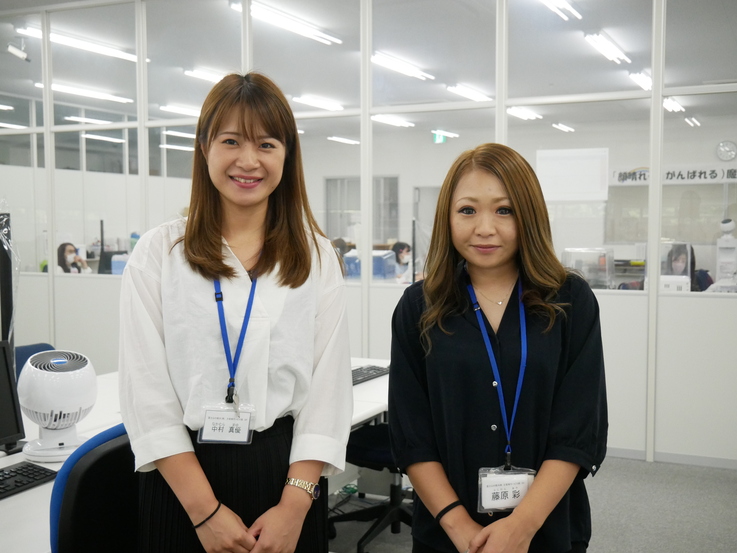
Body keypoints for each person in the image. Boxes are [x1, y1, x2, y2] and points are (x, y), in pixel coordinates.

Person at [118, 72, 353, 553]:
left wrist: (295, 507)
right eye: (230, 141)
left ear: (287, 156)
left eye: (267, 144)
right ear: (204, 148)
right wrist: (205, 513)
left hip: (286, 478)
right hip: (184, 479)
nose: (248, 161)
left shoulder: (316, 256)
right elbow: (147, 392)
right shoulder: (161, 253)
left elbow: (328, 390)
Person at [388, 143, 607, 553]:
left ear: (529, 215)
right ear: (447, 218)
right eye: (467, 210)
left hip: (545, 529)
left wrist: (520, 527)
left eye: (504, 210)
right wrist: (459, 529)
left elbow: (577, 430)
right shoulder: (419, 306)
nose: (484, 227)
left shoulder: (570, 300)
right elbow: (411, 434)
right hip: (447, 533)